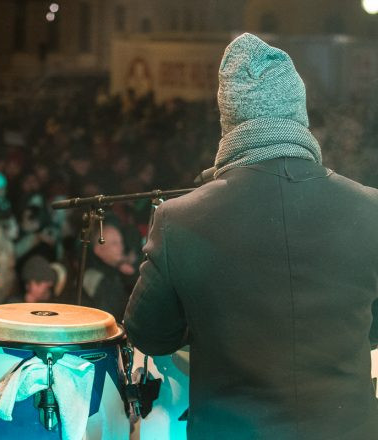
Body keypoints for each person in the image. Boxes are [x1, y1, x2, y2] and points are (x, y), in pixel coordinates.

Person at [124, 33, 378, 439]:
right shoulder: (371, 209)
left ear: (229, 119)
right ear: (299, 112)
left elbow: (149, 335)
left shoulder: (180, 220)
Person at [83, 224, 135, 322]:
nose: (121, 247)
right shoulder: (100, 278)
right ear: (99, 250)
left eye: (121, 242)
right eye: (114, 243)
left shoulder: (117, 272)